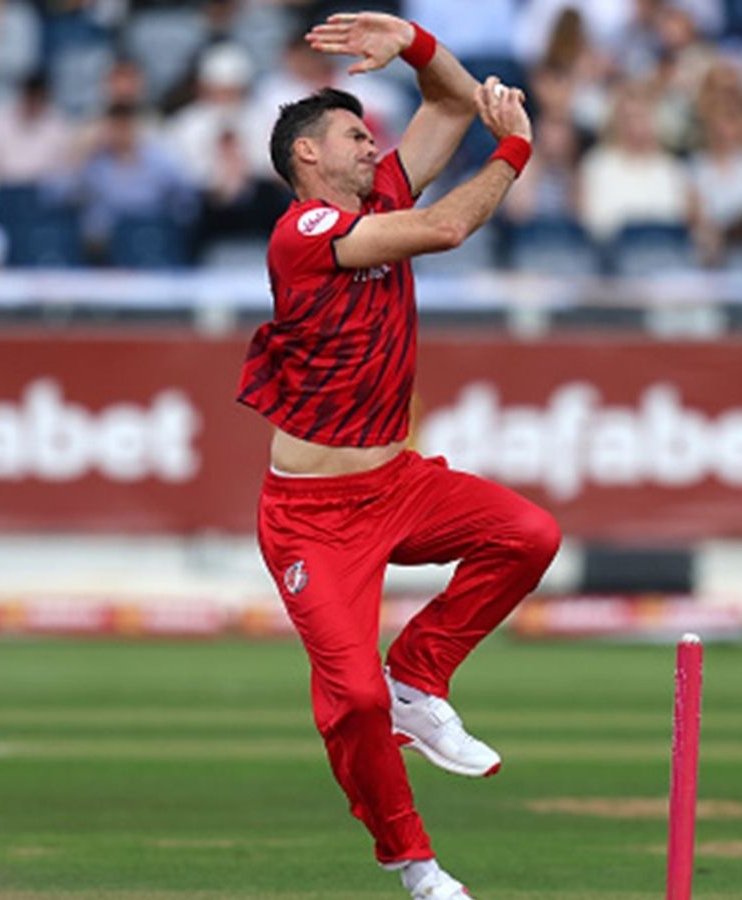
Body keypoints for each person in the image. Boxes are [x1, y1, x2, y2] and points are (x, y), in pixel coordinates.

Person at [236, 13, 560, 900]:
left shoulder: (377, 194)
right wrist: (516, 150)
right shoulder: (304, 229)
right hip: (311, 519)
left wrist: (414, 41)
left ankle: (419, 674)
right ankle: (416, 867)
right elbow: (447, 228)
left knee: (529, 535)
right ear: (308, 154)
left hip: (396, 482)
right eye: (354, 134)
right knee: (354, 702)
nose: (370, 141)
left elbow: (450, 101)